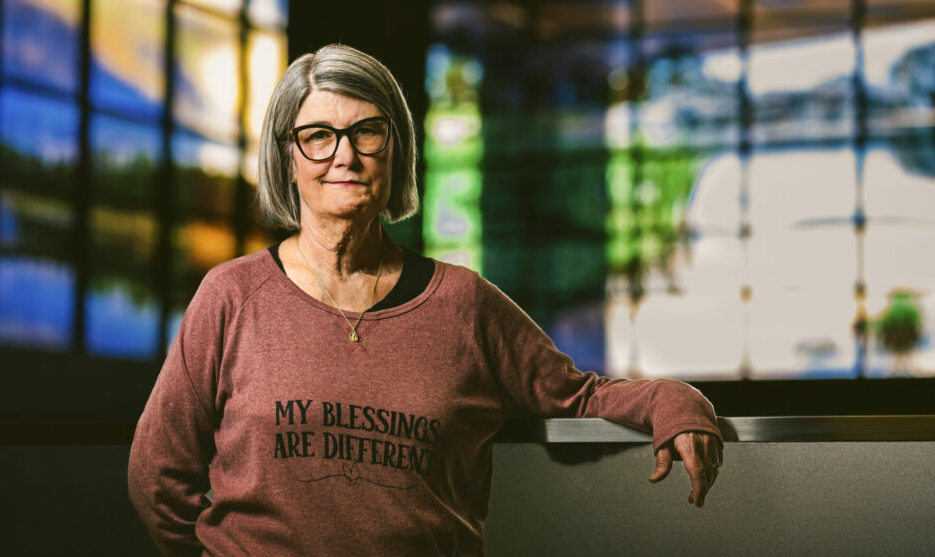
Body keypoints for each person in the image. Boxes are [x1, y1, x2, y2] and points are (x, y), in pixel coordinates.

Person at [128, 43, 723, 556]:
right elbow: (158, 476)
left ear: (396, 149)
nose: (345, 156)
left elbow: (581, 395)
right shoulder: (231, 296)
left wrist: (678, 403)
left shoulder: (465, 304)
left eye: (367, 131)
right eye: (317, 136)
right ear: (286, 156)